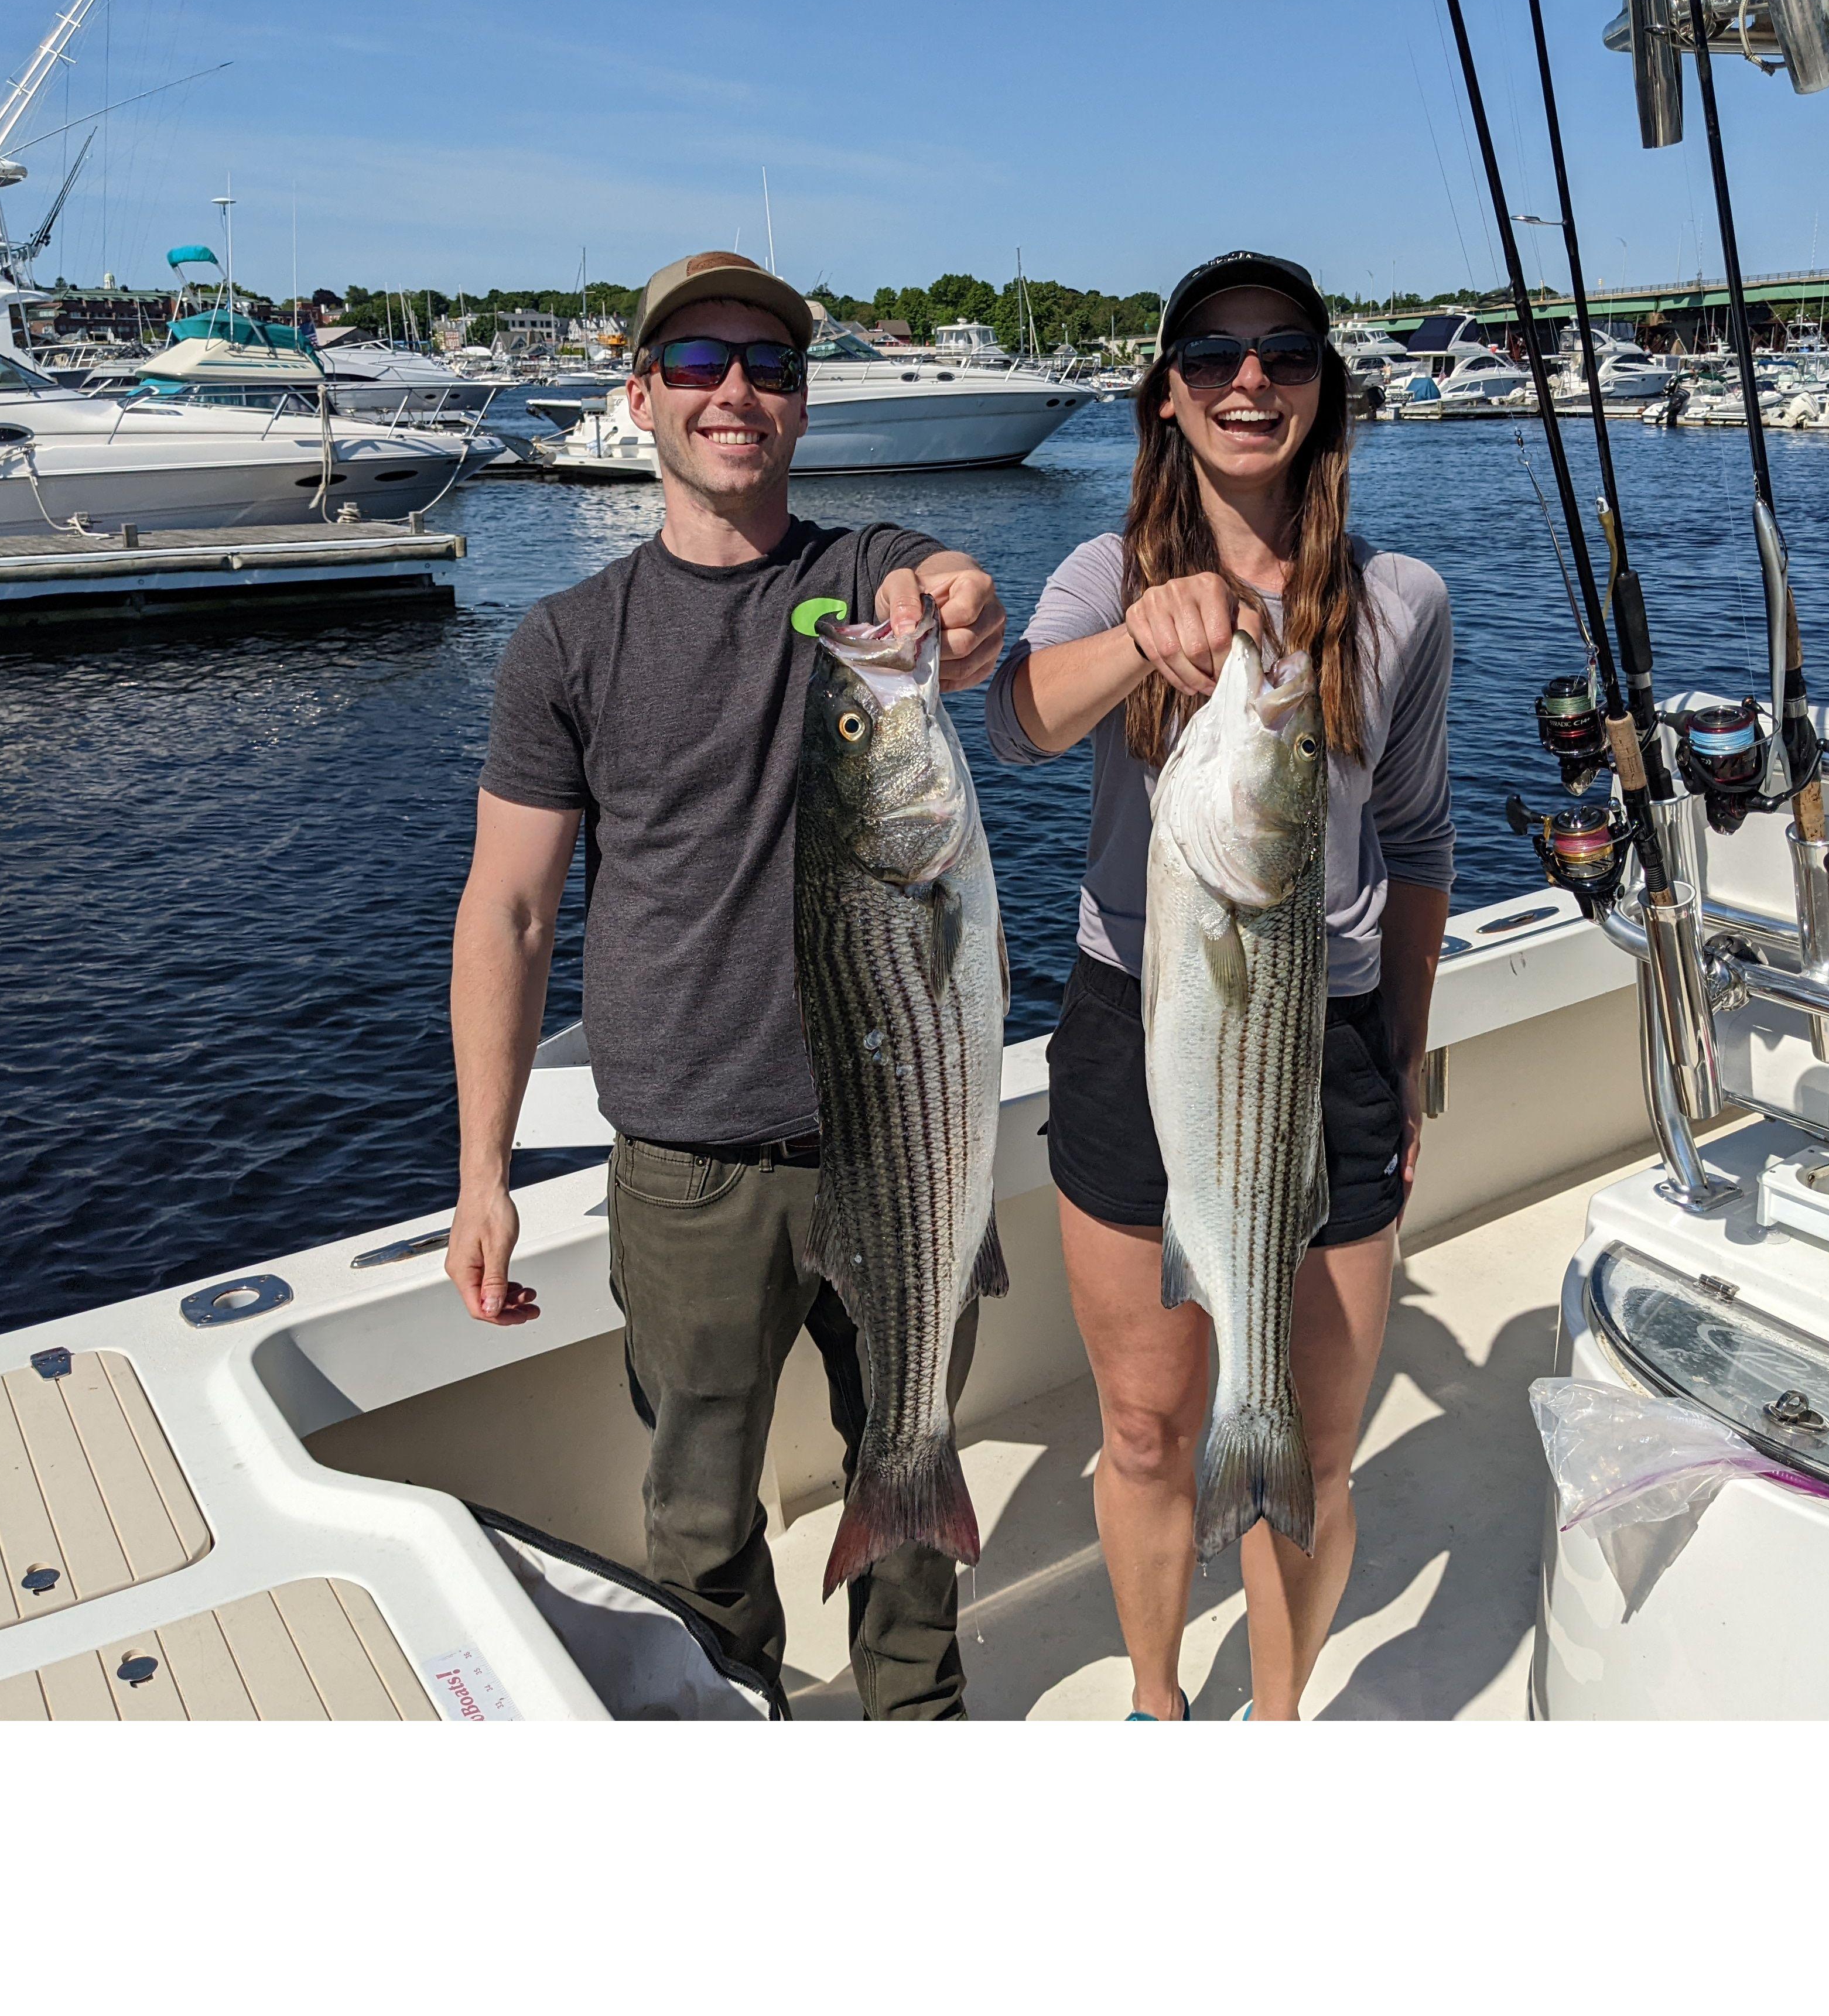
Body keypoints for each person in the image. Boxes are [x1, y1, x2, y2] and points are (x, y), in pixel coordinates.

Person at [449, 251, 1006, 1720]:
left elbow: (929, 580)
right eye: (696, 364)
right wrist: (483, 1172)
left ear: (803, 406)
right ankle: (728, 1718)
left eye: (767, 364)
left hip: (906, 1142)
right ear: (639, 397)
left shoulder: (846, 584)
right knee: (696, 1521)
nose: (734, 391)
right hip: (688, 1165)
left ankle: (916, 1719)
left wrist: (952, 594)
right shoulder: (565, 642)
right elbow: (506, 913)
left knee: (914, 1476)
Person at [984, 251, 1452, 1720]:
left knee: (1313, 1446)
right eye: (1214, 355)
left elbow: (1423, 839)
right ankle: (1154, 1706)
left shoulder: (1400, 601)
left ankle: (1276, 1724)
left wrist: (1413, 1055)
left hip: (1339, 1034)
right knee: (1141, 1421)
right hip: (1142, 1020)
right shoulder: (1099, 577)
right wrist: (1139, 638)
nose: (1251, 379)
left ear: (1326, 390)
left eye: (1286, 352)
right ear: (1169, 396)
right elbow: (1015, 725)